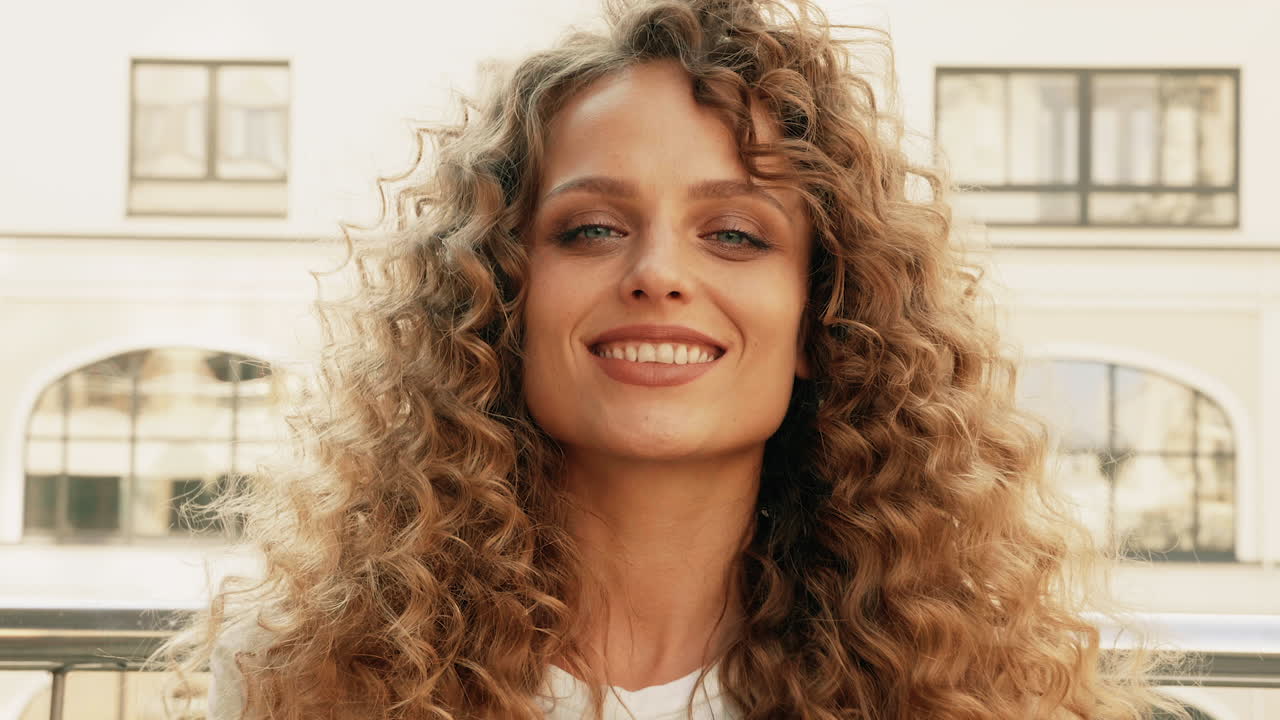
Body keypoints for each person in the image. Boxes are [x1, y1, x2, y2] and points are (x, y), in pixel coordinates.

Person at [152, 1, 1191, 718]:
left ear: (822, 320)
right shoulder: (303, 679)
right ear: (496, 303)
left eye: (734, 234)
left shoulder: (984, 691)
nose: (656, 274)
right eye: (590, 230)